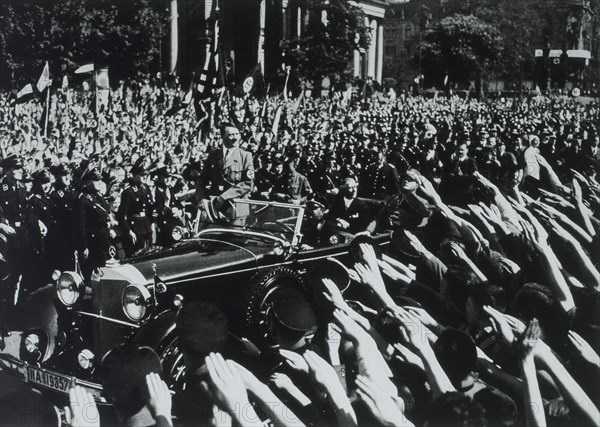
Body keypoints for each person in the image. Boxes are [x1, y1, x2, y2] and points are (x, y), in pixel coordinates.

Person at [196, 121, 254, 225]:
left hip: (235, 211)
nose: (235, 138)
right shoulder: (214, 154)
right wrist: (202, 199)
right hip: (214, 211)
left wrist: (223, 197)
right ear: (223, 136)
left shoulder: (245, 156)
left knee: (233, 240)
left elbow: (248, 184)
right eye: (231, 135)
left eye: (237, 134)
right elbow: (202, 179)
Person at [75, 167, 111, 280]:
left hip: (104, 239)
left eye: (100, 180)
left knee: (107, 270)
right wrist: (84, 246)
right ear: (88, 182)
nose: (100, 183)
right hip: (93, 242)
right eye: (96, 180)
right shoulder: (83, 199)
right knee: (95, 273)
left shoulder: (99, 197)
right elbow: (81, 225)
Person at [117, 159, 154, 256]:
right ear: (135, 176)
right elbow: (121, 215)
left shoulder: (146, 188)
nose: (144, 177)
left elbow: (150, 208)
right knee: (138, 254)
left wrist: (152, 223)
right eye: (141, 175)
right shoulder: (128, 192)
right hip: (136, 227)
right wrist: (129, 230)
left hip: (146, 225)